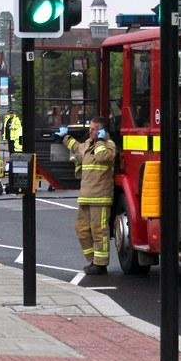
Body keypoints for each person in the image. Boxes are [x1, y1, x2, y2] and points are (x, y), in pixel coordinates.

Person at [59, 116, 116, 275]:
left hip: (100, 197)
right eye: (90, 129)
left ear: (102, 131)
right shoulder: (88, 144)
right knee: (82, 230)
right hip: (85, 196)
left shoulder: (108, 145)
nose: (90, 131)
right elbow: (77, 148)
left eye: (94, 129)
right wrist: (65, 137)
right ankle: (92, 260)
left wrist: (99, 141)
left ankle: (101, 264)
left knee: (99, 231)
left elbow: (102, 157)